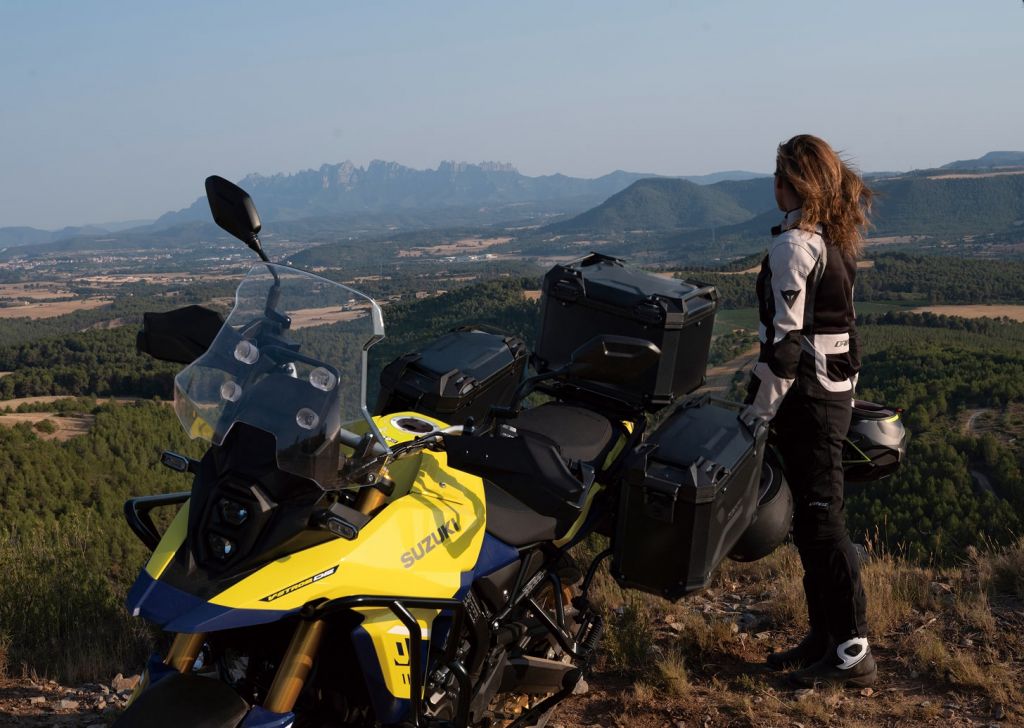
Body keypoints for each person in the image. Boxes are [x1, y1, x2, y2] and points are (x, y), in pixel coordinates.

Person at [742, 134, 875, 688]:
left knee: (823, 526)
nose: (771, 187)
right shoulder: (832, 239)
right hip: (830, 394)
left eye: (776, 177)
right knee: (813, 526)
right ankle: (824, 637)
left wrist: (757, 414)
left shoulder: (795, 245)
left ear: (790, 185)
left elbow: (787, 346)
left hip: (809, 402)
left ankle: (851, 652)